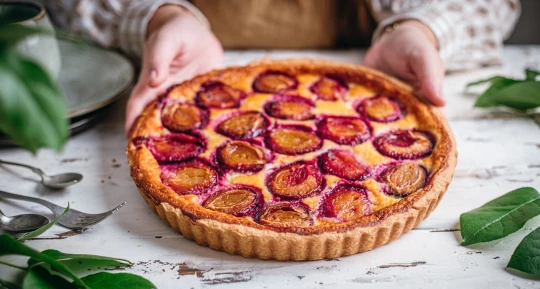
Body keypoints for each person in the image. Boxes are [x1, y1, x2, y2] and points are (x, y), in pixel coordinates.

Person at [42, 0, 521, 135]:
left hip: (369, 63)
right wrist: (160, 17)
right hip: (190, 64)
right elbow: (62, 7)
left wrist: (422, 27)